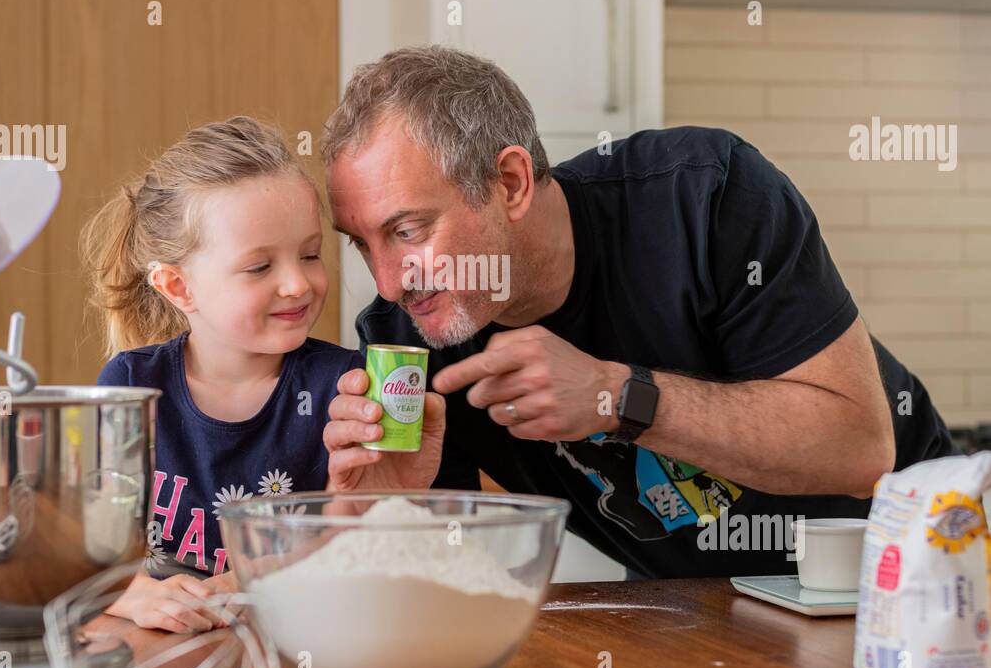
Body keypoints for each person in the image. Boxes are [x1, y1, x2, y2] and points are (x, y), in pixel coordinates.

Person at [320, 45, 954, 580]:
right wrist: (389, 506)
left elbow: (859, 447)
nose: (387, 280)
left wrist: (615, 396)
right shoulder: (405, 343)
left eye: (406, 230)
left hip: (909, 571)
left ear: (510, 183)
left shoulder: (706, 197)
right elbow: (444, 595)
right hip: (694, 613)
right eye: (361, 242)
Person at [83, 116, 360, 629]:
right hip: (162, 657)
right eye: (260, 267)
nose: (298, 284)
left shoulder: (343, 388)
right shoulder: (130, 386)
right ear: (178, 286)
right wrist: (130, 596)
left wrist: (249, 581)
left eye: (310, 254)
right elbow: (94, 546)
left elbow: (354, 541)